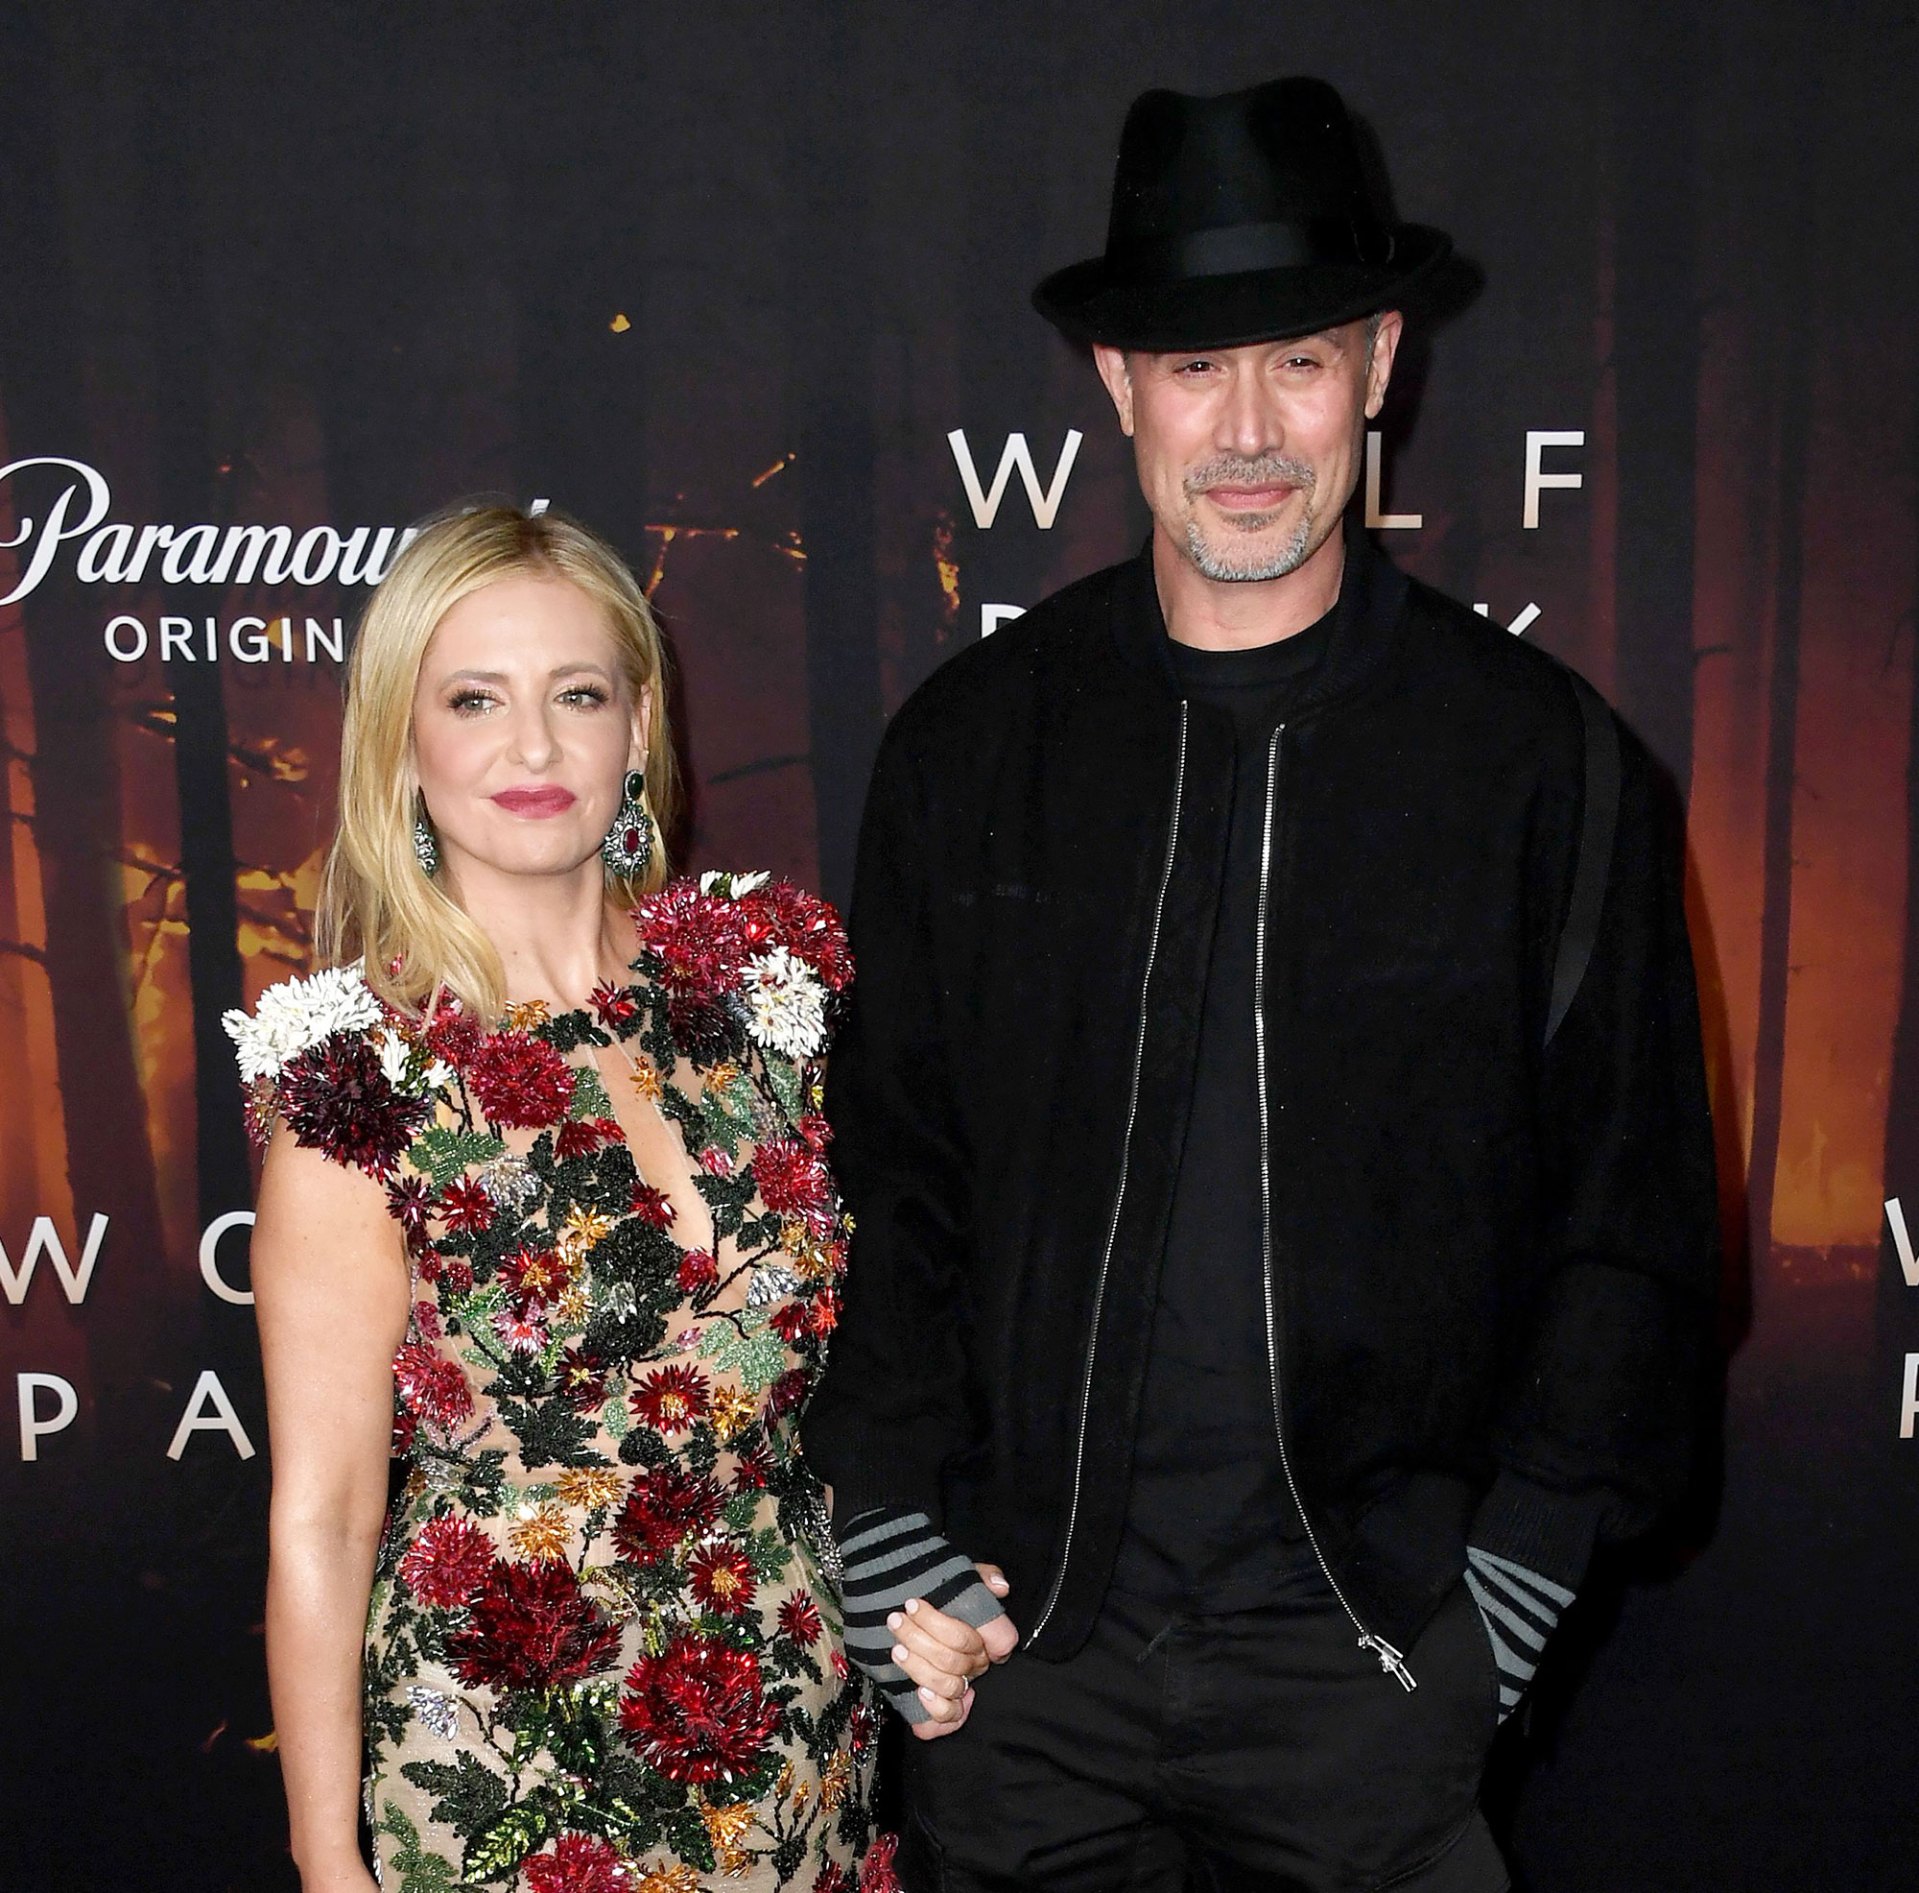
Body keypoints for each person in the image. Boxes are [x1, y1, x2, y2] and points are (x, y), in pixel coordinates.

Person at [806, 77, 1720, 1891]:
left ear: (1379, 365)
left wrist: (1504, 1602)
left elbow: (1633, 1221)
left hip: (1375, 1675)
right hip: (1018, 1660)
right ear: (1118, 383)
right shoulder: (974, 746)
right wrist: (893, 1523)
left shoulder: (1542, 765)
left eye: (1297, 361)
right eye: (1195, 366)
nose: (1245, 429)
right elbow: (895, 1167)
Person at [229, 505, 892, 1891]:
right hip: (508, 1768)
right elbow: (326, 1515)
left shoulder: (763, 1004)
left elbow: (864, 1374)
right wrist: (324, 1856)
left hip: (792, 1740)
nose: (533, 748)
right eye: (475, 699)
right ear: (401, 744)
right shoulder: (363, 1085)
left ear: (639, 728)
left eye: (576, 695)